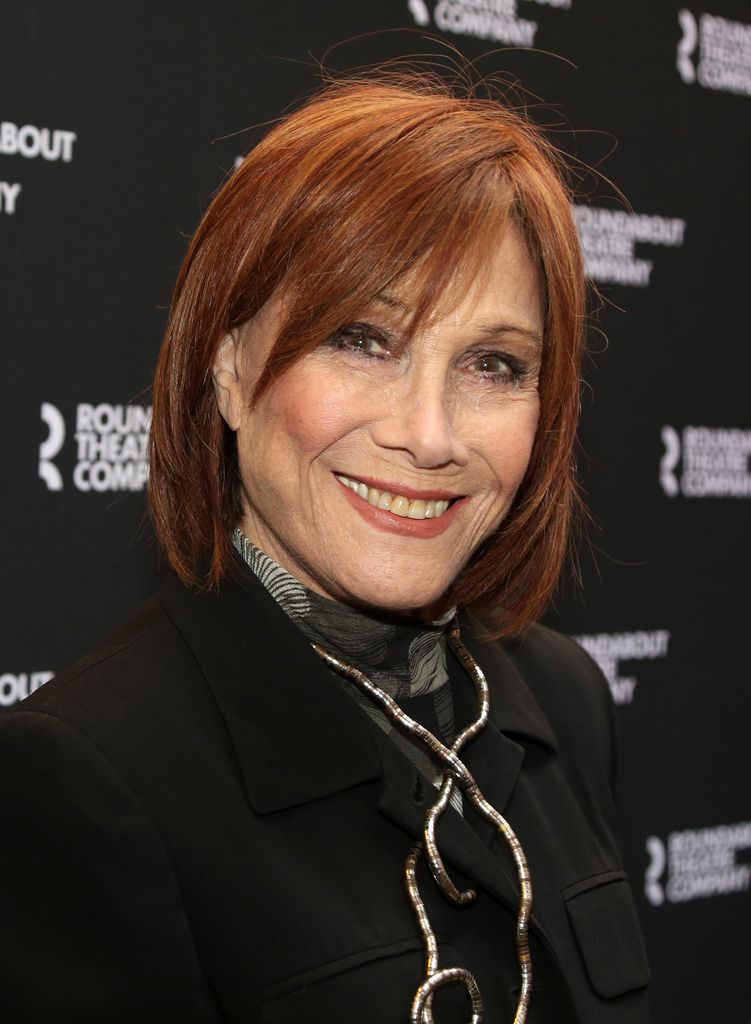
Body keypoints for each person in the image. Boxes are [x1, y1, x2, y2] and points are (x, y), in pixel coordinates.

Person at [0, 72, 650, 1022]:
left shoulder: (561, 700)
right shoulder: (87, 779)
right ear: (225, 365)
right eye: (362, 339)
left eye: (492, 364)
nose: (429, 434)